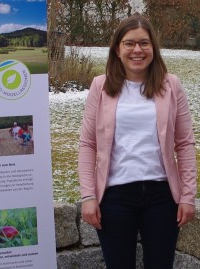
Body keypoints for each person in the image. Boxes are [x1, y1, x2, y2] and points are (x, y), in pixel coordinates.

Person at [78, 15, 197, 269]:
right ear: (117, 49)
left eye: (144, 43)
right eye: (129, 43)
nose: (137, 50)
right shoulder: (100, 86)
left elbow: (185, 143)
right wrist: (88, 196)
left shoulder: (171, 85)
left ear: (153, 47)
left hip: (162, 197)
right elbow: (88, 144)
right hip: (114, 196)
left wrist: (188, 196)